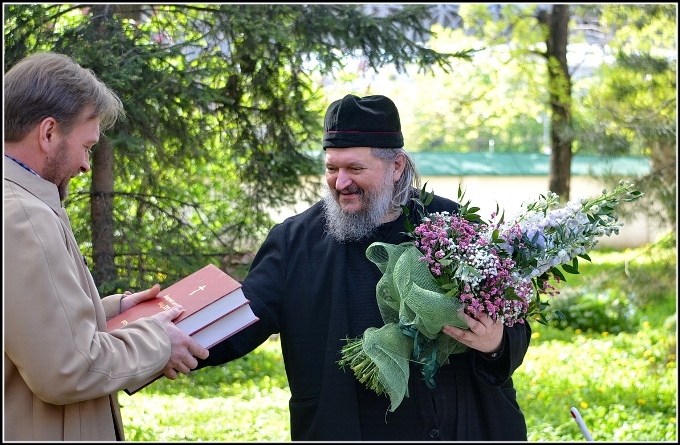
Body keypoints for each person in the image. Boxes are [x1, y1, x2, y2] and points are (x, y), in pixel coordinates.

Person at [198, 94, 531, 440]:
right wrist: (166, 334)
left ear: (397, 166)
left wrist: (496, 340)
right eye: (332, 168)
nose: (340, 182)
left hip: (463, 427)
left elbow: (514, 326)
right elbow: (242, 316)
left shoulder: (456, 226)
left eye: (355, 169)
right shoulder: (294, 242)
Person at [4, 51, 209, 441]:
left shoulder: (21, 203)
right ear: (48, 133)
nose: (86, 164)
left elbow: (25, 325)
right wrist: (158, 341)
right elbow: (64, 368)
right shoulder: (22, 216)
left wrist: (113, 311)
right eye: (86, 146)